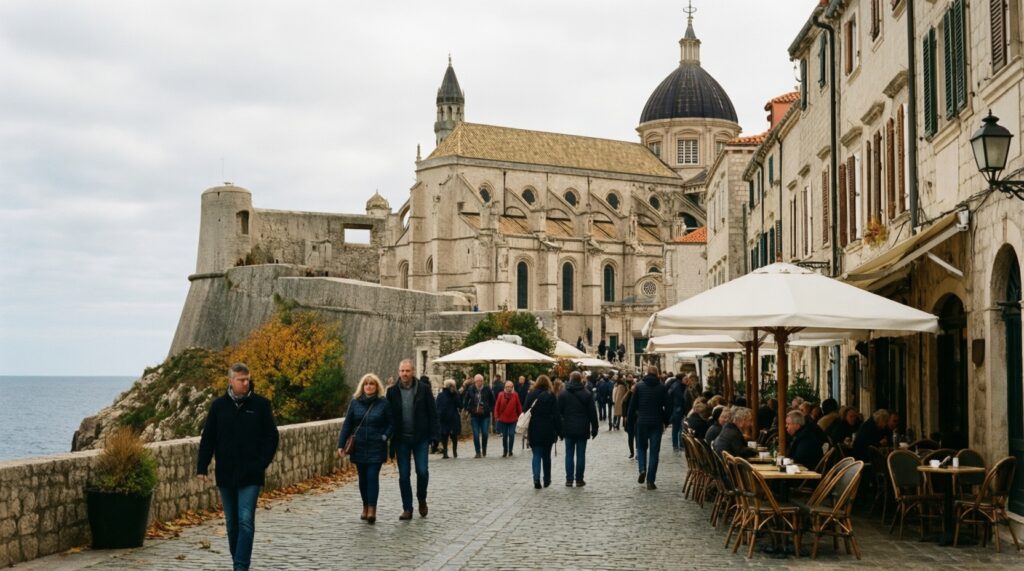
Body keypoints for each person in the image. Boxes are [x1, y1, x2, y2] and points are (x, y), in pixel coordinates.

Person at [196, 363, 279, 571]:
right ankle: (237, 560)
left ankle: (241, 566)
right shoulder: (219, 406)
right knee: (232, 523)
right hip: (226, 472)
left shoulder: (261, 405)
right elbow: (208, 438)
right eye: (241, 380)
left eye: (247, 379)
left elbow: (272, 437)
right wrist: (202, 467)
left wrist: (261, 463)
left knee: (245, 520)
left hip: (251, 473)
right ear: (231, 381)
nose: (245, 383)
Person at [385, 359, 440, 521]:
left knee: (422, 472)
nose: (405, 374)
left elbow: (433, 413)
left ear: (413, 372)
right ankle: (407, 508)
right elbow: (388, 417)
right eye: (402, 371)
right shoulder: (392, 392)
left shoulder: (423, 389)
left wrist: (435, 436)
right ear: (398, 372)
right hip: (401, 439)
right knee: (403, 475)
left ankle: (421, 498)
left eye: (407, 371)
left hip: (421, 438)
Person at [337, 374, 392, 524]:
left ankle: (372, 510)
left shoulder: (383, 403)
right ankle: (365, 506)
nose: (368, 386)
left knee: (372, 477)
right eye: (366, 384)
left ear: (376, 387)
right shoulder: (355, 403)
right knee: (362, 479)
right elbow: (347, 425)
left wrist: (384, 436)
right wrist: (341, 445)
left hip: (376, 446)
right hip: (359, 446)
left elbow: (391, 423)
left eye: (372, 384)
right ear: (362, 386)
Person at [628, 366, 669, 490]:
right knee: (654, 452)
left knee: (641, 447)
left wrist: (630, 422)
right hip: (656, 422)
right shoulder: (662, 387)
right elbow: (668, 405)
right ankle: (650, 481)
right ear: (657, 374)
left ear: (647, 373)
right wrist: (665, 421)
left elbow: (632, 406)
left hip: (642, 422)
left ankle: (642, 469)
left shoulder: (639, 387)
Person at [558, 371, 599, 486]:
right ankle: (579, 479)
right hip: (582, 428)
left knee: (569, 454)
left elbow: (558, 413)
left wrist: (559, 429)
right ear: (581, 379)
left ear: (570, 379)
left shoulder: (563, 394)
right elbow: (592, 413)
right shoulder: (586, 393)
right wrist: (595, 428)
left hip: (568, 428)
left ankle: (569, 479)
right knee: (581, 454)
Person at [524, 375, 562, 488]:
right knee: (546, 456)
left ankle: (536, 479)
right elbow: (556, 415)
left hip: (534, 428)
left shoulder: (531, 394)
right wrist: (560, 431)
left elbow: (524, 409)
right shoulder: (551, 396)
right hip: (548, 429)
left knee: (536, 455)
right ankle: (547, 479)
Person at [463, 374, 494, 457]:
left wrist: (489, 409)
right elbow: (466, 399)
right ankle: (478, 452)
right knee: (476, 434)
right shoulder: (471, 389)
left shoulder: (487, 389)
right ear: (475, 382)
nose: (478, 383)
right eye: (477, 381)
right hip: (474, 415)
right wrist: (466, 409)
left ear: (482, 381)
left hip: (485, 415)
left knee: (485, 433)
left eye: (480, 381)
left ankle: (484, 448)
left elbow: (492, 400)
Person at [493, 380, 523, 457]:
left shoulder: (515, 395)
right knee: (505, 436)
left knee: (511, 434)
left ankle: (510, 450)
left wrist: (521, 416)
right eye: (507, 387)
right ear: (505, 387)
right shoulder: (500, 395)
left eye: (510, 387)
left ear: (513, 387)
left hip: (513, 419)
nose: (509, 388)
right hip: (503, 419)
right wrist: (496, 416)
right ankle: (505, 450)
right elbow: (497, 406)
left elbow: (518, 406)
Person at [435, 379, 462, 459]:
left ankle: (450, 451)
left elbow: (460, 405)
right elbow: (460, 405)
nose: (454, 387)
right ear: (450, 386)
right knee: (449, 436)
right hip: (449, 418)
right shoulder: (447, 395)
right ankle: (450, 451)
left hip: (448, 418)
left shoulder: (450, 395)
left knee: (449, 436)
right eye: (453, 386)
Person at [668, 375, 688, 451]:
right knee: (678, 428)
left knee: (677, 428)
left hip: (677, 409)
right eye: (685, 378)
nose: (686, 380)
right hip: (678, 409)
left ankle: (676, 445)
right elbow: (681, 398)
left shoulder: (676, 385)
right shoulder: (678, 386)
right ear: (681, 379)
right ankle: (679, 445)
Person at [622, 380, 637, 458]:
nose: (633, 387)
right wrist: (624, 417)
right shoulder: (627, 396)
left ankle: (637, 452)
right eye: (632, 385)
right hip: (629, 419)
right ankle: (632, 452)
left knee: (637, 436)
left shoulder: (638, 396)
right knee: (630, 436)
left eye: (635, 385)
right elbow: (624, 407)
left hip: (637, 419)